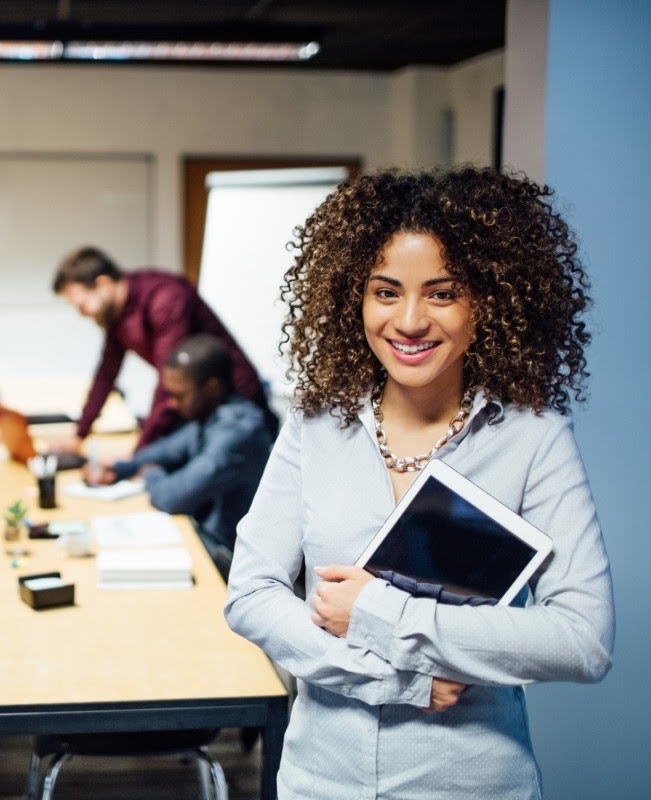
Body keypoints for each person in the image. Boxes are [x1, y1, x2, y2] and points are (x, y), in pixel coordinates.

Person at [224, 167, 614, 799]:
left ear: (487, 301)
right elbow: (251, 594)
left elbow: (582, 639)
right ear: (354, 298)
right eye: (385, 292)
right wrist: (393, 679)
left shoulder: (534, 439)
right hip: (318, 783)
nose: (409, 321)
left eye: (442, 293)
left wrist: (381, 614)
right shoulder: (313, 426)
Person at [52, 246, 278, 451]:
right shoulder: (116, 315)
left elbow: (168, 383)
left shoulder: (164, 297)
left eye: (82, 305)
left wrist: (139, 454)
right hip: (199, 404)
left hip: (236, 399)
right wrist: (80, 434)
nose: (82, 314)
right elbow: (106, 373)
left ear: (103, 284)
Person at [87, 334, 271, 578]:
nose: (172, 404)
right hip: (208, 545)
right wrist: (122, 468)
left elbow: (172, 498)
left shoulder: (238, 432)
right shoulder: (211, 416)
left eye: (180, 395)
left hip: (232, 564)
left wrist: (151, 473)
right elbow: (167, 449)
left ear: (212, 388)